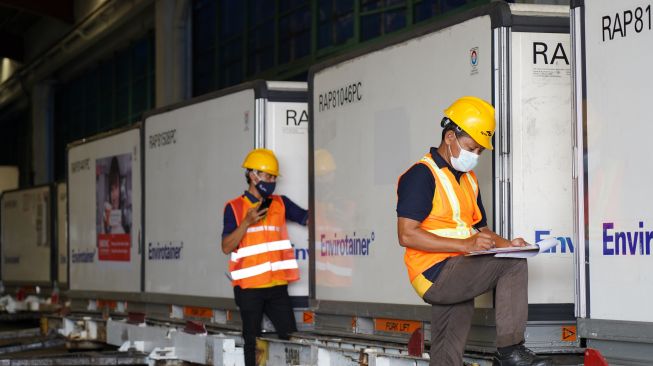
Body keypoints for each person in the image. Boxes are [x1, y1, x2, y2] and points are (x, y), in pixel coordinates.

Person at [396, 96, 554, 366]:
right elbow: (406, 235)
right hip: (434, 271)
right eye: (472, 148)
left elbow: (481, 230)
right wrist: (465, 246)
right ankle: (510, 351)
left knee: (448, 349)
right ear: (450, 137)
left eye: (481, 151)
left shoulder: (468, 179)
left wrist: (509, 245)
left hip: (458, 269)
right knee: (512, 266)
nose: (476, 156)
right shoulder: (422, 175)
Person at [221, 148, 308, 366]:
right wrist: (246, 223)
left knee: (291, 340)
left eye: (274, 177)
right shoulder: (235, 207)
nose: (272, 181)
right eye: (268, 176)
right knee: (253, 341)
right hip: (249, 289)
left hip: (277, 286)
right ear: (253, 175)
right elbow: (226, 246)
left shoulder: (280, 203)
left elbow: (308, 218)